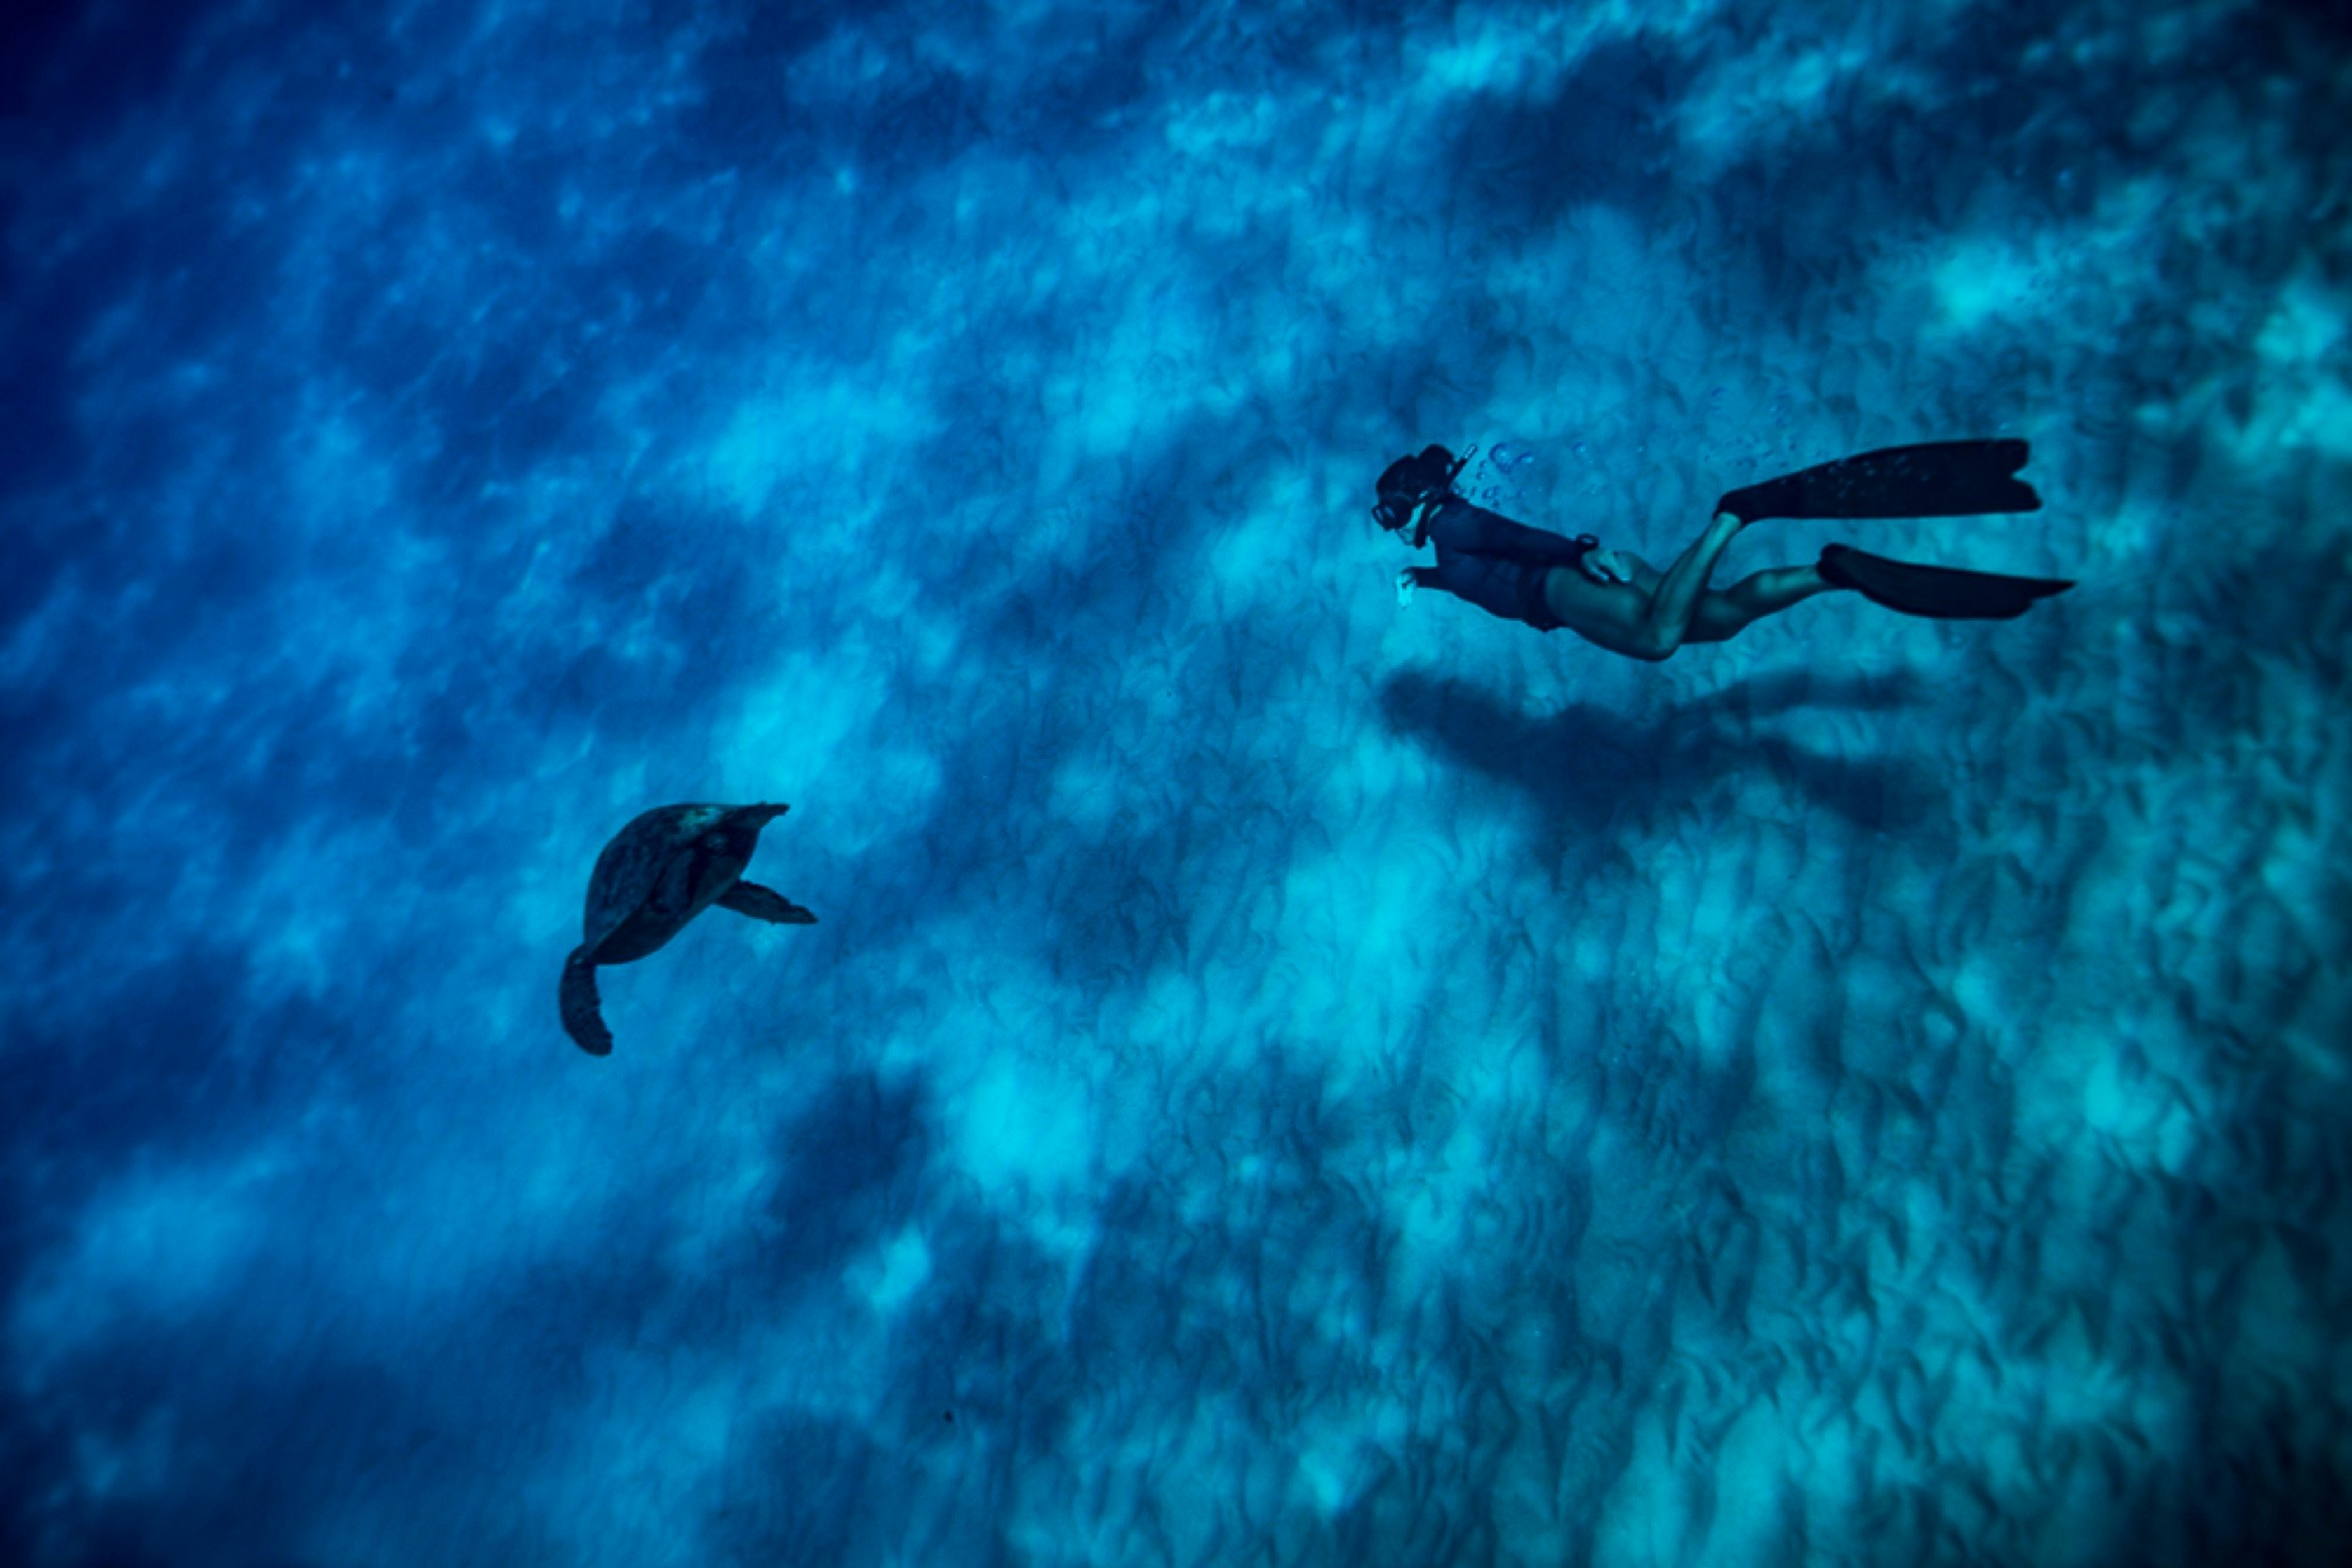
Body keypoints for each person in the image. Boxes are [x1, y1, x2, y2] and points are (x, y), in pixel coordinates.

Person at [1375, 440, 2073, 662]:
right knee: (1719, 618)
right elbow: (1472, 571)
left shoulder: (1456, 528)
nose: (1387, 523)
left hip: (1560, 588)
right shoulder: (1446, 540)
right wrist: (1422, 580)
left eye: (1388, 515)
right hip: (1574, 576)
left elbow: (1511, 540)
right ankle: (1830, 572)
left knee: (1659, 640)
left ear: (1411, 506)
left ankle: (1731, 518)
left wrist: (1579, 552)